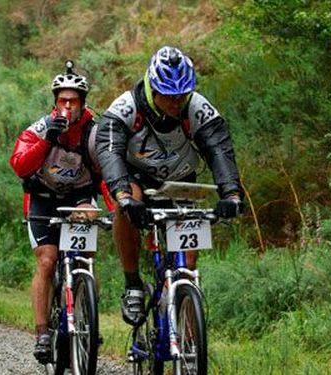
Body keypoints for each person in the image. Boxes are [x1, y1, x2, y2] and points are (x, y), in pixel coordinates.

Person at [95, 46, 244, 326]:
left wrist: (231, 193)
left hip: (180, 182)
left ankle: (187, 329)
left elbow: (219, 150)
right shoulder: (126, 107)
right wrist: (122, 195)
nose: (177, 102)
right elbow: (109, 150)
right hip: (135, 177)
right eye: (169, 95)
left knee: (187, 268)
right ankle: (133, 285)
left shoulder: (197, 107)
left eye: (182, 95)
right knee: (128, 203)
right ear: (153, 88)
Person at [9, 61, 112, 364]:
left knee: (84, 256)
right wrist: (47, 142)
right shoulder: (40, 128)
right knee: (47, 259)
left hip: (78, 197)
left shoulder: (94, 131)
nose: (68, 106)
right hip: (42, 198)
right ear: (55, 102)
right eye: (62, 101)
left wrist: (114, 207)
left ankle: (86, 314)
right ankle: (42, 331)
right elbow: (19, 166)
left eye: (74, 101)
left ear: (83, 103)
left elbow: (107, 174)